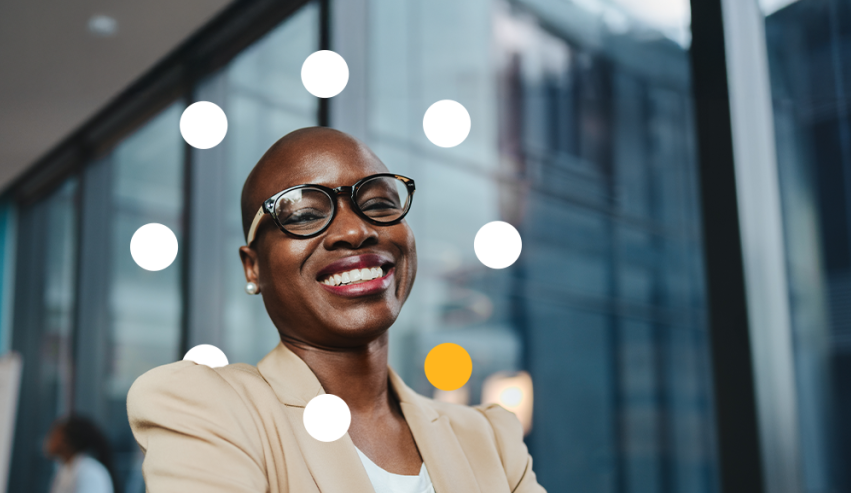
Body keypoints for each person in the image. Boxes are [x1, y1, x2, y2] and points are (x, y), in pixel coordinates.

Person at [126, 127, 546, 493]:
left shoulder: (490, 440)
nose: (355, 229)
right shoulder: (206, 408)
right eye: (306, 214)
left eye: (380, 204)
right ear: (253, 266)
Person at [44, 415, 116, 493]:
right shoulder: (64, 470)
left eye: (54, 435)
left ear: (66, 441)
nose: (48, 440)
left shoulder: (90, 472)